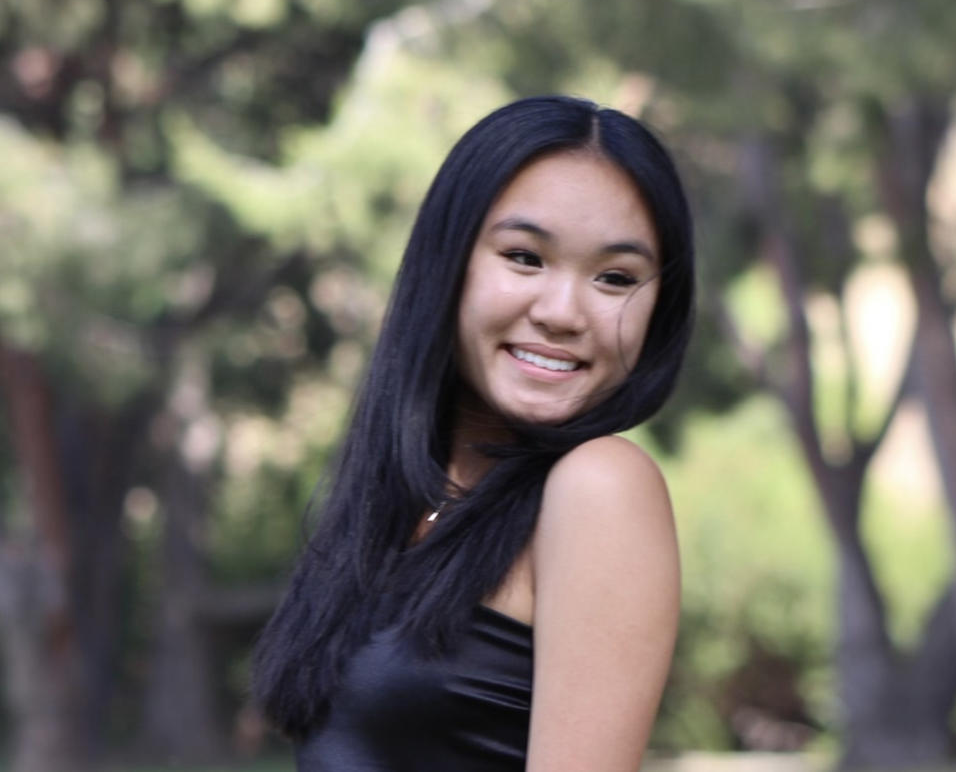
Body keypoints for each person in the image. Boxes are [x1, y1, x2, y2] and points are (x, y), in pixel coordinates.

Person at [253, 94, 695, 771]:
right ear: (448, 263)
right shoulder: (405, 502)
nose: (562, 313)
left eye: (615, 278)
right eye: (524, 257)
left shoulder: (600, 487)